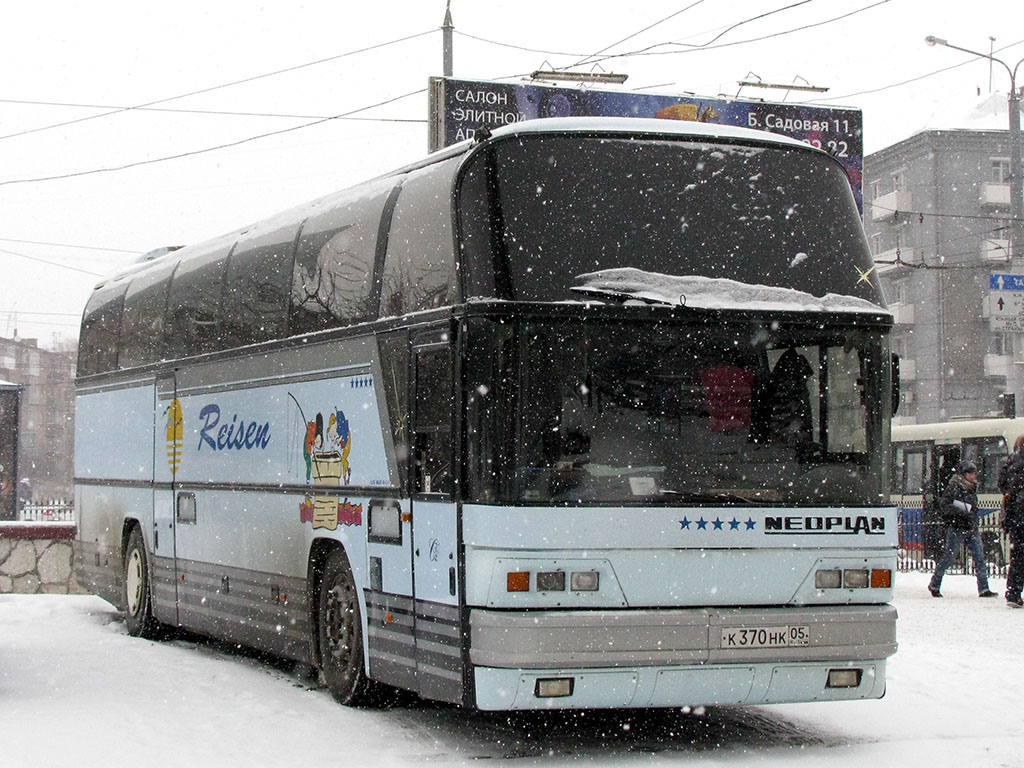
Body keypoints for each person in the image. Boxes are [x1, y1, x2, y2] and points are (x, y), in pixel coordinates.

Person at [928, 460, 998, 598]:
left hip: (971, 527)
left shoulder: (972, 488)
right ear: (963, 474)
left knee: (979, 557)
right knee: (949, 557)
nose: (973, 476)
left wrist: (970, 515)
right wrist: (962, 511)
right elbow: (945, 505)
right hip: (957, 527)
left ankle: (984, 588)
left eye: (974, 473)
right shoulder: (954, 487)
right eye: (970, 473)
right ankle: (935, 584)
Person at [998, 437, 1024, 608]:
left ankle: (1013, 592)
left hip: (1016, 515)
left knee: (1018, 555)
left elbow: (1002, 484)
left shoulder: (1011, 461)